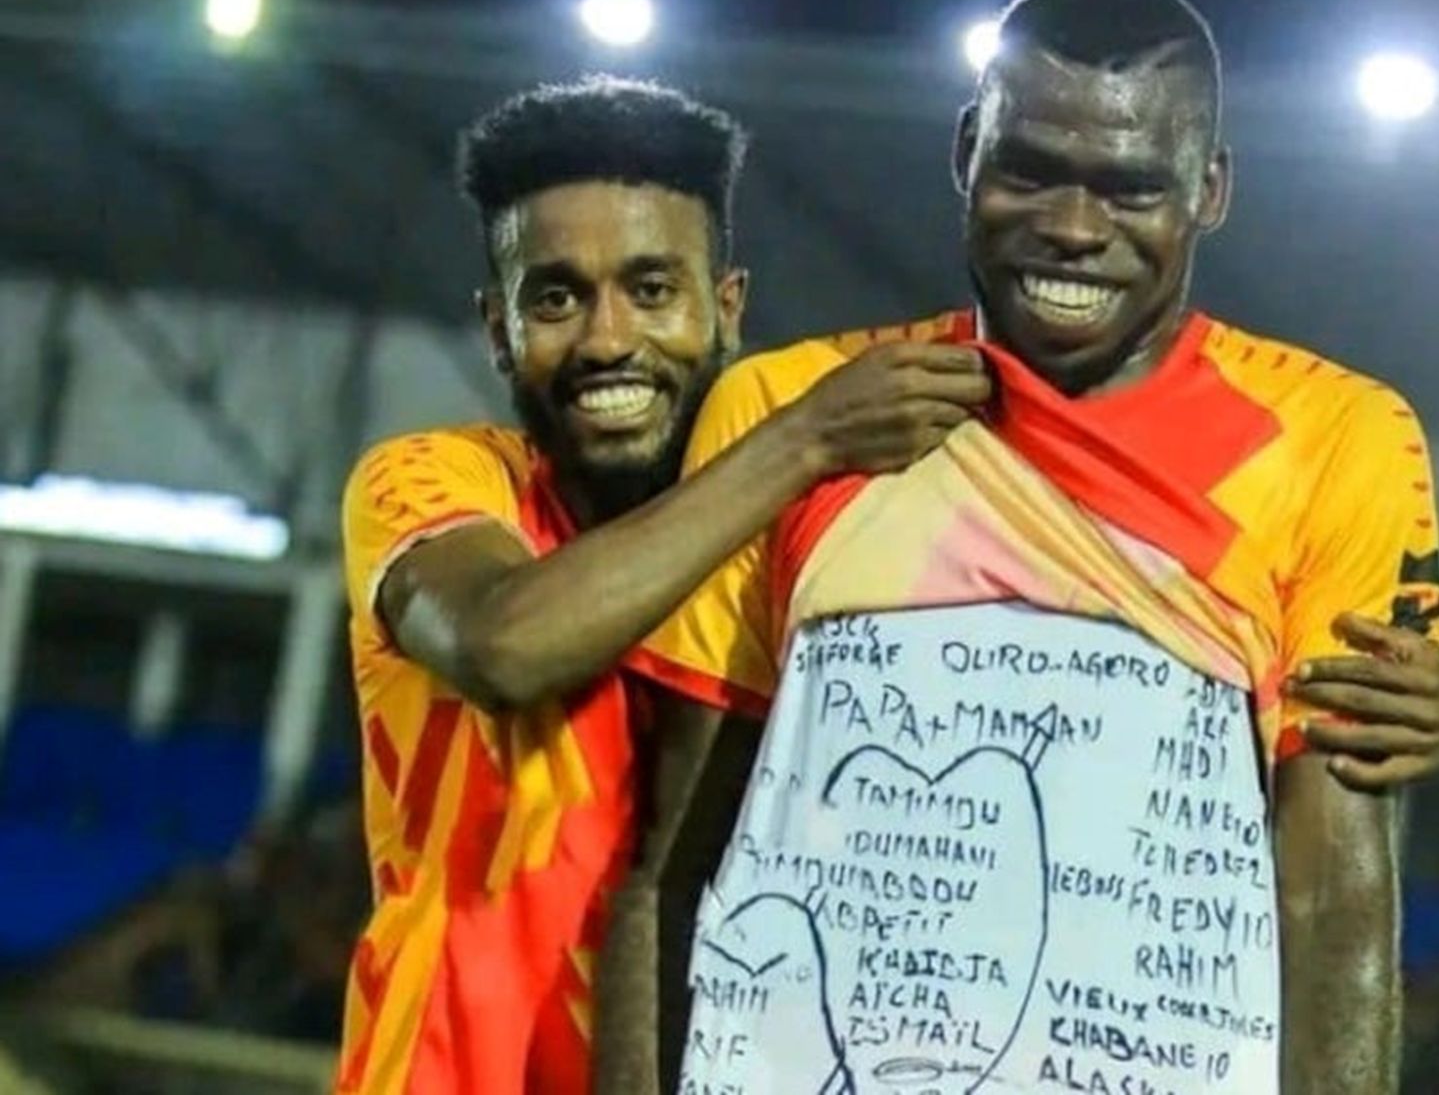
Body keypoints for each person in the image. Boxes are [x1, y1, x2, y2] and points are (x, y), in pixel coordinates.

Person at [608, 0, 1439, 1093]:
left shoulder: (1332, 438)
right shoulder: (797, 413)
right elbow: (672, 863)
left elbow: (1333, 893)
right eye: (1029, 172)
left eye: (1131, 189)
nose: (1074, 228)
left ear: (1210, 189)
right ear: (965, 151)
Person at [333, 76, 994, 1095]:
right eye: (556, 298)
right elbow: (503, 646)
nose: (606, 340)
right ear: (498, 328)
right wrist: (806, 436)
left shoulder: (795, 546)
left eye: (651, 290)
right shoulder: (433, 481)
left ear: (725, 307)